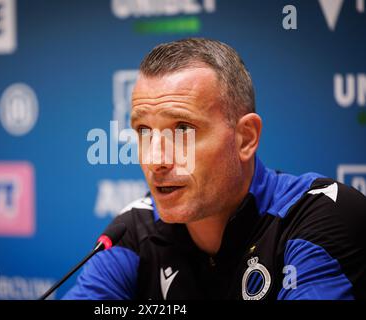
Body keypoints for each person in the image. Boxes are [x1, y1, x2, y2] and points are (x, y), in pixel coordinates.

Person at [65, 38, 366, 300]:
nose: (156, 159)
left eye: (182, 129)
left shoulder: (318, 216)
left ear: (245, 137)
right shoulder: (132, 231)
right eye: (143, 131)